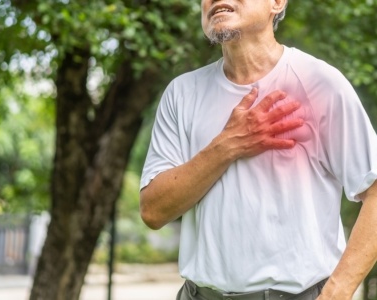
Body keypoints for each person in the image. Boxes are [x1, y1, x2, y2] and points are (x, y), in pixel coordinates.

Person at [140, 0, 377, 299]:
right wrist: (228, 144)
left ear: (276, 3)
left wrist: (337, 292)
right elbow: (153, 211)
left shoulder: (320, 83)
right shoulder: (182, 93)